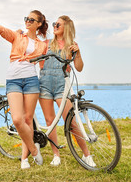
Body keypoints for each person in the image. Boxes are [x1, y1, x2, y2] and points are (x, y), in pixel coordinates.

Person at [0, 8, 48, 169]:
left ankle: (24, 159)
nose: (27, 22)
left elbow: (46, 62)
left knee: (28, 120)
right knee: (17, 120)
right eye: (26, 19)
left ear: (39, 24)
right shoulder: (17, 36)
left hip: (31, 81)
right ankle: (34, 150)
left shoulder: (42, 45)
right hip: (13, 80)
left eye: (31, 20)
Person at [38, 15, 96, 167]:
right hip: (45, 83)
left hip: (61, 85)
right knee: (50, 121)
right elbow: (39, 62)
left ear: (66, 28)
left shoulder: (72, 45)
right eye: (54, 24)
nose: (55, 26)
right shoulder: (46, 44)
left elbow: (79, 68)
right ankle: (56, 154)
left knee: (71, 122)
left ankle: (86, 155)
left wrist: (78, 52)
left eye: (58, 24)